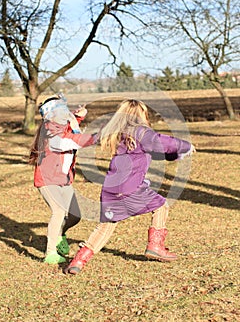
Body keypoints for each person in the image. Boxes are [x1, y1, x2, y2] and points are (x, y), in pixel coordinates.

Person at [65, 99, 195, 275]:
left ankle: (78, 262)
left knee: (106, 226)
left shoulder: (114, 132)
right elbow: (163, 142)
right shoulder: (142, 132)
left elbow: (152, 152)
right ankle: (155, 245)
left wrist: (175, 156)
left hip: (110, 190)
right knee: (161, 206)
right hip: (131, 188)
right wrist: (186, 146)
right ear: (141, 114)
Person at [29, 94, 97, 264]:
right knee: (59, 211)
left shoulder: (59, 126)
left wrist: (79, 115)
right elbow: (76, 140)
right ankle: (50, 253)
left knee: (75, 215)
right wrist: (101, 135)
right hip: (47, 180)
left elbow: (70, 126)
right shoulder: (53, 138)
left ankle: (59, 234)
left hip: (63, 180)